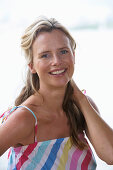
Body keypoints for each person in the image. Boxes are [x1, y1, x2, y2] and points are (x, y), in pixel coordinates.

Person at [0, 16, 113, 170]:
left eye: (63, 51)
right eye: (45, 55)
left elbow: (111, 155)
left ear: (74, 56)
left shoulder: (83, 107)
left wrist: (80, 98)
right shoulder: (24, 118)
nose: (57, 61)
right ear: (32, 66)